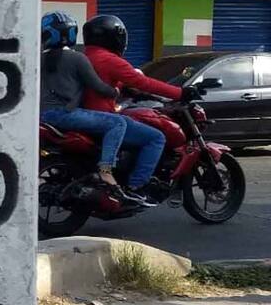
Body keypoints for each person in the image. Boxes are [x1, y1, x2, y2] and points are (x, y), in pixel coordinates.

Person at [81, 14, 197, 202]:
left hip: (82, 116)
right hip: (102, 117)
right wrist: (180, 93)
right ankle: (137, 186)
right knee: (156, 138)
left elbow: (105, 83)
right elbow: (143, 82)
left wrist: (123, 87)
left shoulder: (84, 57)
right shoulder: (109, 59)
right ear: (114, 37)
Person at [38, 12, 128, 189]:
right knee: (118, 123)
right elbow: (97, 86)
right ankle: (106, 170)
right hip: (65, 114)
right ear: (72, 34)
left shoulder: (38, 59)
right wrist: (115, 91)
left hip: (42, 116)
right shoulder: (77, 58)